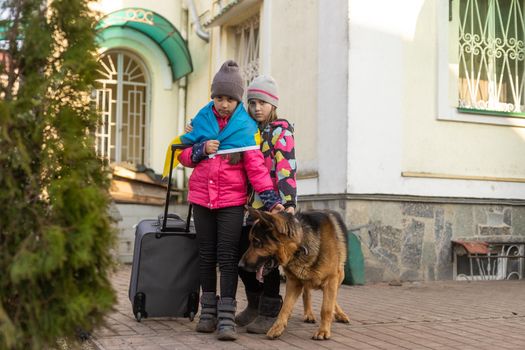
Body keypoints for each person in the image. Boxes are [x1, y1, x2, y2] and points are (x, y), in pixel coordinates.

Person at [176, 60, 283, 341]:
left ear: (238, 100)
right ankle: (207, 314)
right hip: (202, 200)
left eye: (230, 99)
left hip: (231, 203)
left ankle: (226, 319)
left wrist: (272, 201)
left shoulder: (245, 127)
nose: (224, 104)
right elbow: (182, 155)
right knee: (206, 256)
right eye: (219, 98)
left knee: (226, 258)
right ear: (213, 97)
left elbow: (257, 170)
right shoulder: (201, 120)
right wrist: (199, 149)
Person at [236, 75, 297, 334]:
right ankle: (254, 303)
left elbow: (286, 168)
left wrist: (287, 203)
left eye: (262, 102)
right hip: (250, 207)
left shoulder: (282, 131)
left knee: (270, 258)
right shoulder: (249, 131)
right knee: (243, 254)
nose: (257, 108)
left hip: (275, 209)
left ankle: (270, 309)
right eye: (252, 103)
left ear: (273, 104)